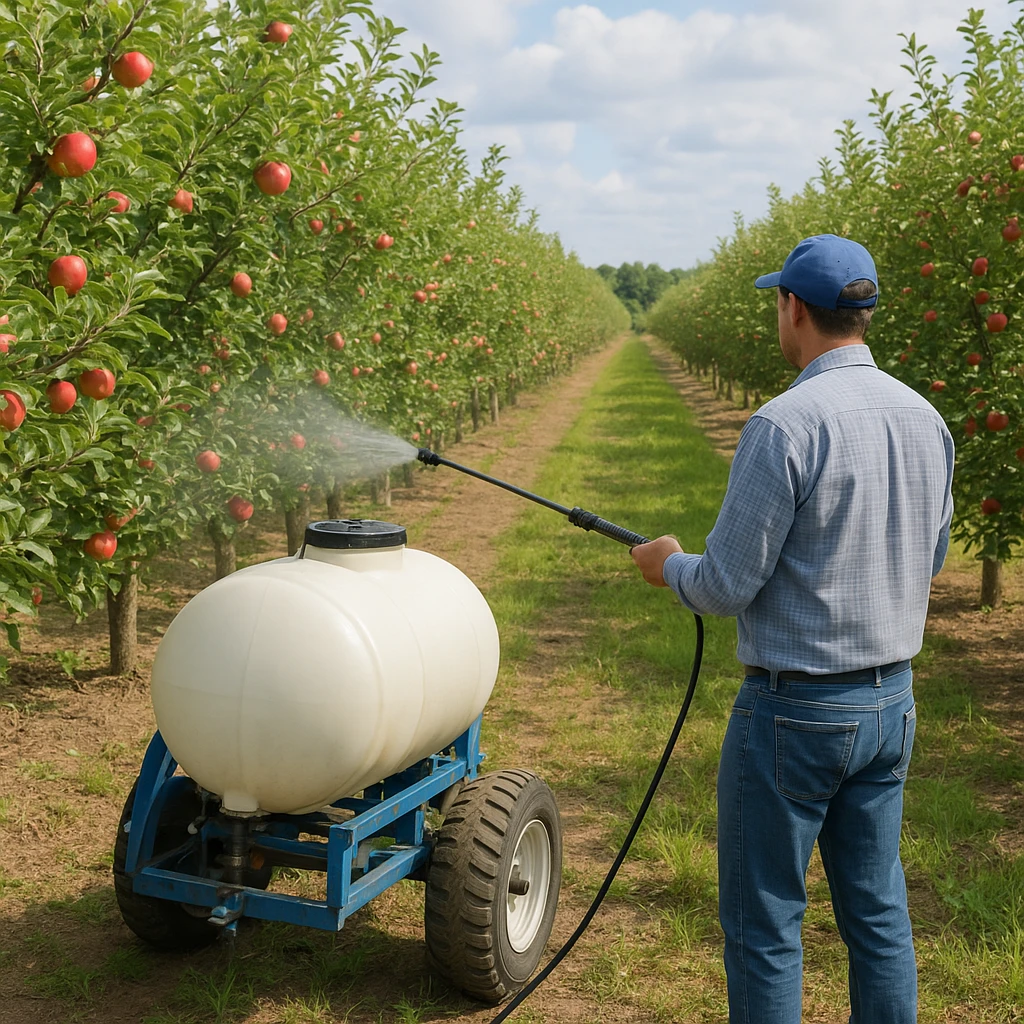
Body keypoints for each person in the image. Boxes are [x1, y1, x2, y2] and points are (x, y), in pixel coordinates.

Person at [631, 234, 955, 1024]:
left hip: (794, 716)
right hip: (890, 705)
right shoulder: (927, 417)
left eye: (777, 303)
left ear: (794, 309)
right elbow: (932, 555)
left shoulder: (783, 425)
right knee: (877, 914)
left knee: (767, 923)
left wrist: (668, 564)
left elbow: (724, 585)